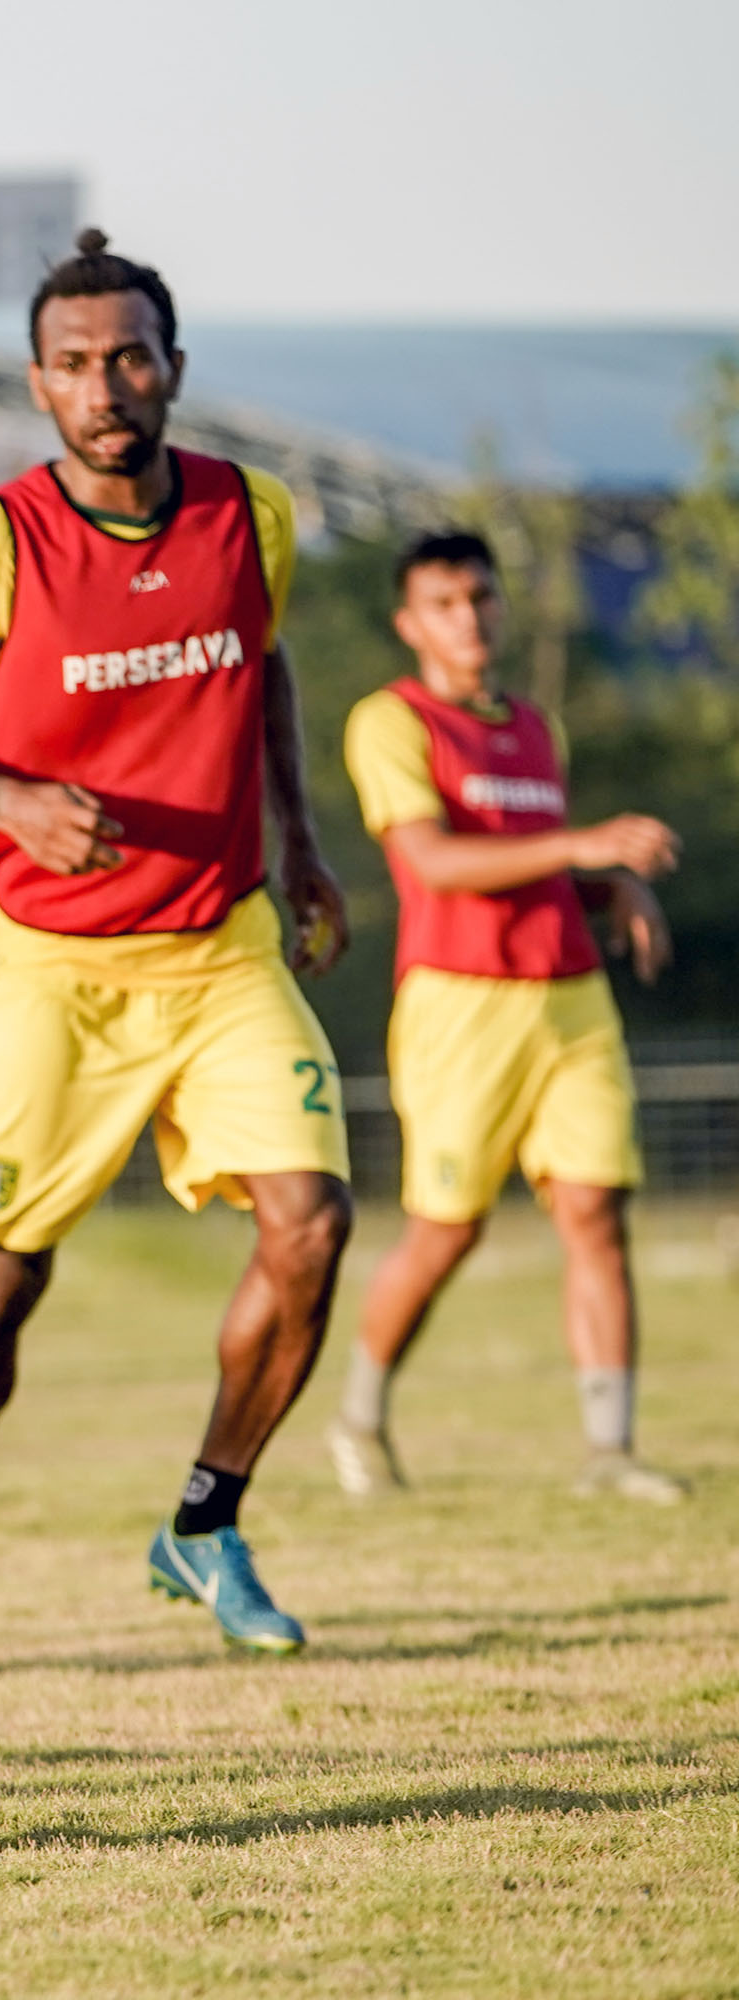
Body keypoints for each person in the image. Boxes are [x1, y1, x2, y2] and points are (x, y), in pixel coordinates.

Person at [0, 231, 354, 1663]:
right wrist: (8, 795)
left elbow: (258, 665)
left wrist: (303, 839)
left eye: (130, 357)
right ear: (39, 385)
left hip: (223, 951)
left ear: (173, 370)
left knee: (314, 1226)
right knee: (0, 1275)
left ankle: (204, 1526)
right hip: (53, 966)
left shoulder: (247, 514)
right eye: (77, 364)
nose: (107, 386)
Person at [335, 531, 688, 1504]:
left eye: (482, 597)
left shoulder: (538, 726)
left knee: (596, 1213)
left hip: (570, 994)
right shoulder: (390, 721)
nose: (470, 617)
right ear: (410, 623)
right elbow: (438, 864)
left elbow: (532, 867)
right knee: (448, 1229)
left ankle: (610, 1452)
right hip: (460, 1001)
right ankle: (359, 1418)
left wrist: (606, 888)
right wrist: (585, 844)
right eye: (444, 602)